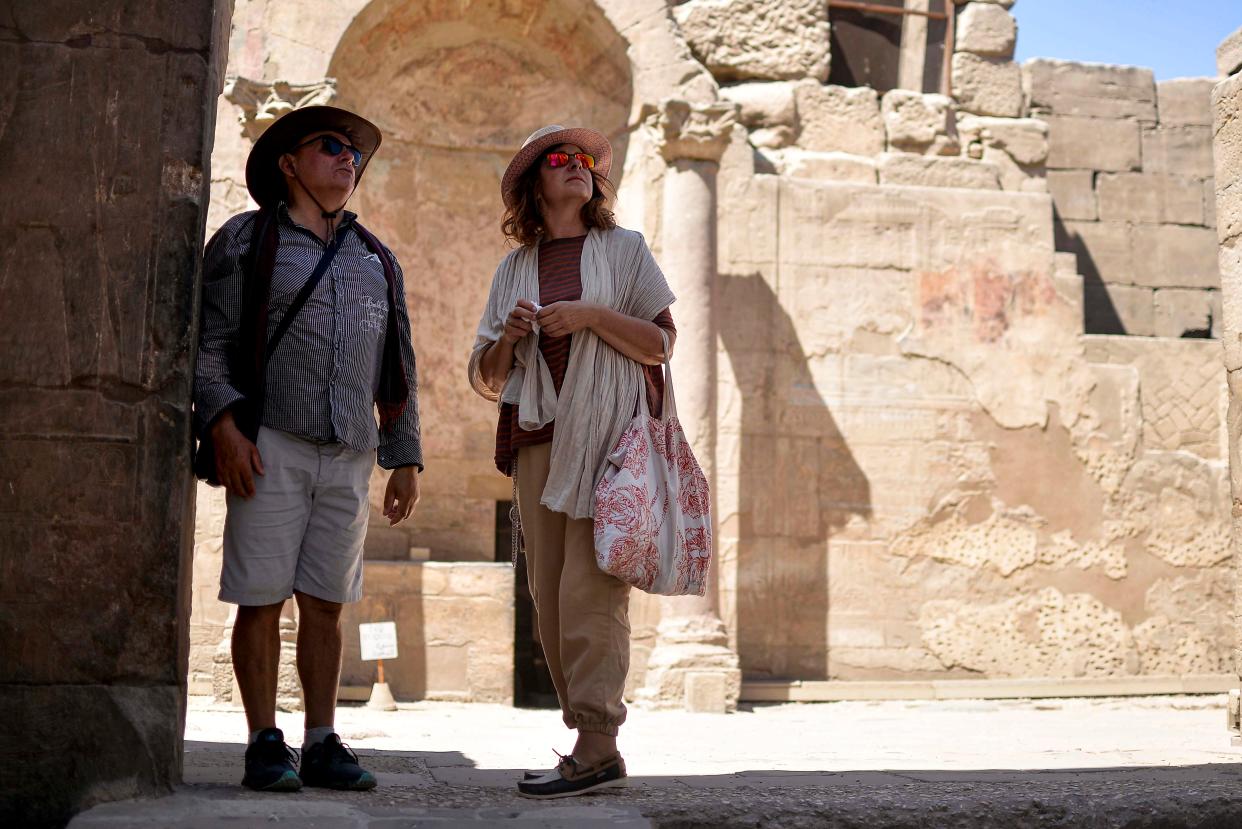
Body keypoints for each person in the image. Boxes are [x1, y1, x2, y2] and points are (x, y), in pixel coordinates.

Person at [194, 105, 423, 792]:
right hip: (269, 441)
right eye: (330, 147)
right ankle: (265, 740)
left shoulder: (378, 258)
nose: (346, 158)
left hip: (350, 447)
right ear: (289, 164)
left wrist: (404, 454)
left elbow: (398, 366)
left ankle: (321, 739)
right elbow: (209, 344)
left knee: (327, 600)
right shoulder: (245, 241)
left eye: (353, 151)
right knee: (260, 598)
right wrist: (224, 424)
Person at [468, 125, 677, 799]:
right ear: (535, 184)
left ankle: (597, 742)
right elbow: (488, 374)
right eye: (561, 160)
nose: (578, 167)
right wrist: (510, 334)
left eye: (586, 161)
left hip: (608, 437)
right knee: (549, 594)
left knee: (592, 590)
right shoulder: (514, 269)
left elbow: (660, 343)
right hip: (539, 440)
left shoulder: (625, 250)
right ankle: (588, 737)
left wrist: (590, 315)